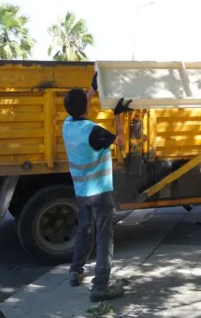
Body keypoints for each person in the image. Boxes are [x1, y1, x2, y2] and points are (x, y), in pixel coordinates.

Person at [63, 72, 133, 302]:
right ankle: (100, 287)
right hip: (100, 192)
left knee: (84, 230)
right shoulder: (94, 131)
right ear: (85, 107)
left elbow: (81, 105)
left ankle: (75, 271)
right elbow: (121, 142)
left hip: (81, 192)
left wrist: (92, 89)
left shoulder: (67, 125)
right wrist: (118, 116)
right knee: (105, 237)